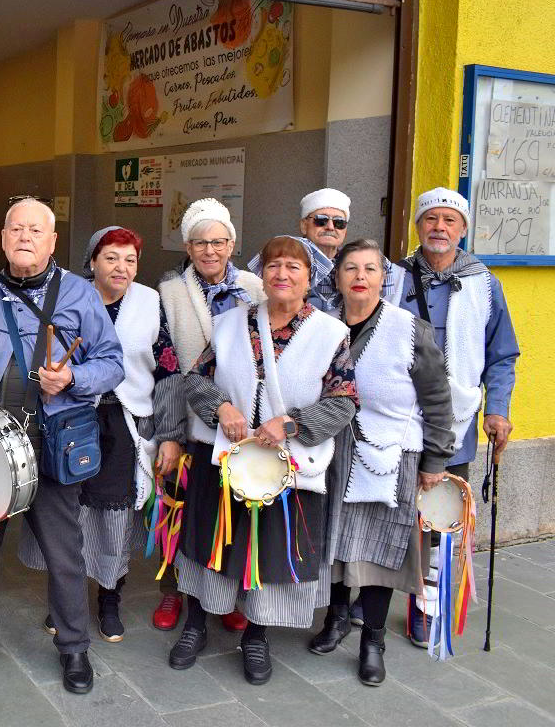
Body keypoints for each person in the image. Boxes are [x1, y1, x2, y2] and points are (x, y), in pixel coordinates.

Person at [0, 198, 124, 695]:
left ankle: (73, 647)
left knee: (64, 553)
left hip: (50, 443)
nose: (25, 237)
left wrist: (73, 378)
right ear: (3, 237)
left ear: (53, 241)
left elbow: (113, 363)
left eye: (36, 230)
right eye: (16, 229)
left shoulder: (78, 294)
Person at [171, 236, 357, 686]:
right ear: (262, 275)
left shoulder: (330, 334)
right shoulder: (229, 323)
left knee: (269, 550)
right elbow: (195, 380)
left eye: (294, 267)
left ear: (310, 279)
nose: (282, 274)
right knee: (209, 543)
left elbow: (343, 402)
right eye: (274, 266)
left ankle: (257, 635)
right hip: (225, 457)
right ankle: (195, 624)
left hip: (285, 467)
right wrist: (222, 408)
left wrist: (290, 424)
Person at [18, 226, 185, 642]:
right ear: (92, 262)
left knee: (115, 513)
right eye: (111, 258)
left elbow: (167, 370)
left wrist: (169, 434)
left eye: (130, 260)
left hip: (124, 421)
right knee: (65, 509)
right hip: (70, 417)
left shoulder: (149, 302)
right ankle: (64, 599)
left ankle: (110, 595)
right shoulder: (68, 296)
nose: (121, 268)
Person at [310, 239, 454, 685]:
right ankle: (335, 617)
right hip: (331, 453)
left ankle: (373, 640)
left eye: (370, 269)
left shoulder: (409, 330)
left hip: (387, 456)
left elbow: (437, 399)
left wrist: (435, 460)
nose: (360, 276)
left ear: (382, 278)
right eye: (350, 267)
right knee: (333, 541)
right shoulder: (320, 324)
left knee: (379, 550)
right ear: (336, 277)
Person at [393, 188, 519, 644]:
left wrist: (498, 409)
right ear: (418, 226)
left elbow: (502, 355)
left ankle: (427, 604)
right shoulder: (394, 278)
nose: (439, 227)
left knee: (440, 516)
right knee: (386, 510)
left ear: (463, 229)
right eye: (431, 219)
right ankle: (368, 597)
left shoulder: (484, 284)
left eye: (449, 220)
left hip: (455, 422)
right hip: (396, 417)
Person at [156, 198, 263, 633]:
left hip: (244, 425)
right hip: (189, 420)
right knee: (178, 509)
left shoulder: (255, 289)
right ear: (187, 246)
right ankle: (172, 590)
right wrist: (168, 432)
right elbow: (165, 365)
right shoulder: (169, 292)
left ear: (232, 244)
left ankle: (226, 595)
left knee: (234, 513)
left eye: (219, 242)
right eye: (200, 243)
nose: (210, 251)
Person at [248, 188, 350, 312]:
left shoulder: (355, 262)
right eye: (321, 220)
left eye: (339, 222)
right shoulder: (281, 252)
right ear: (303, 225)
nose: (330, 227)